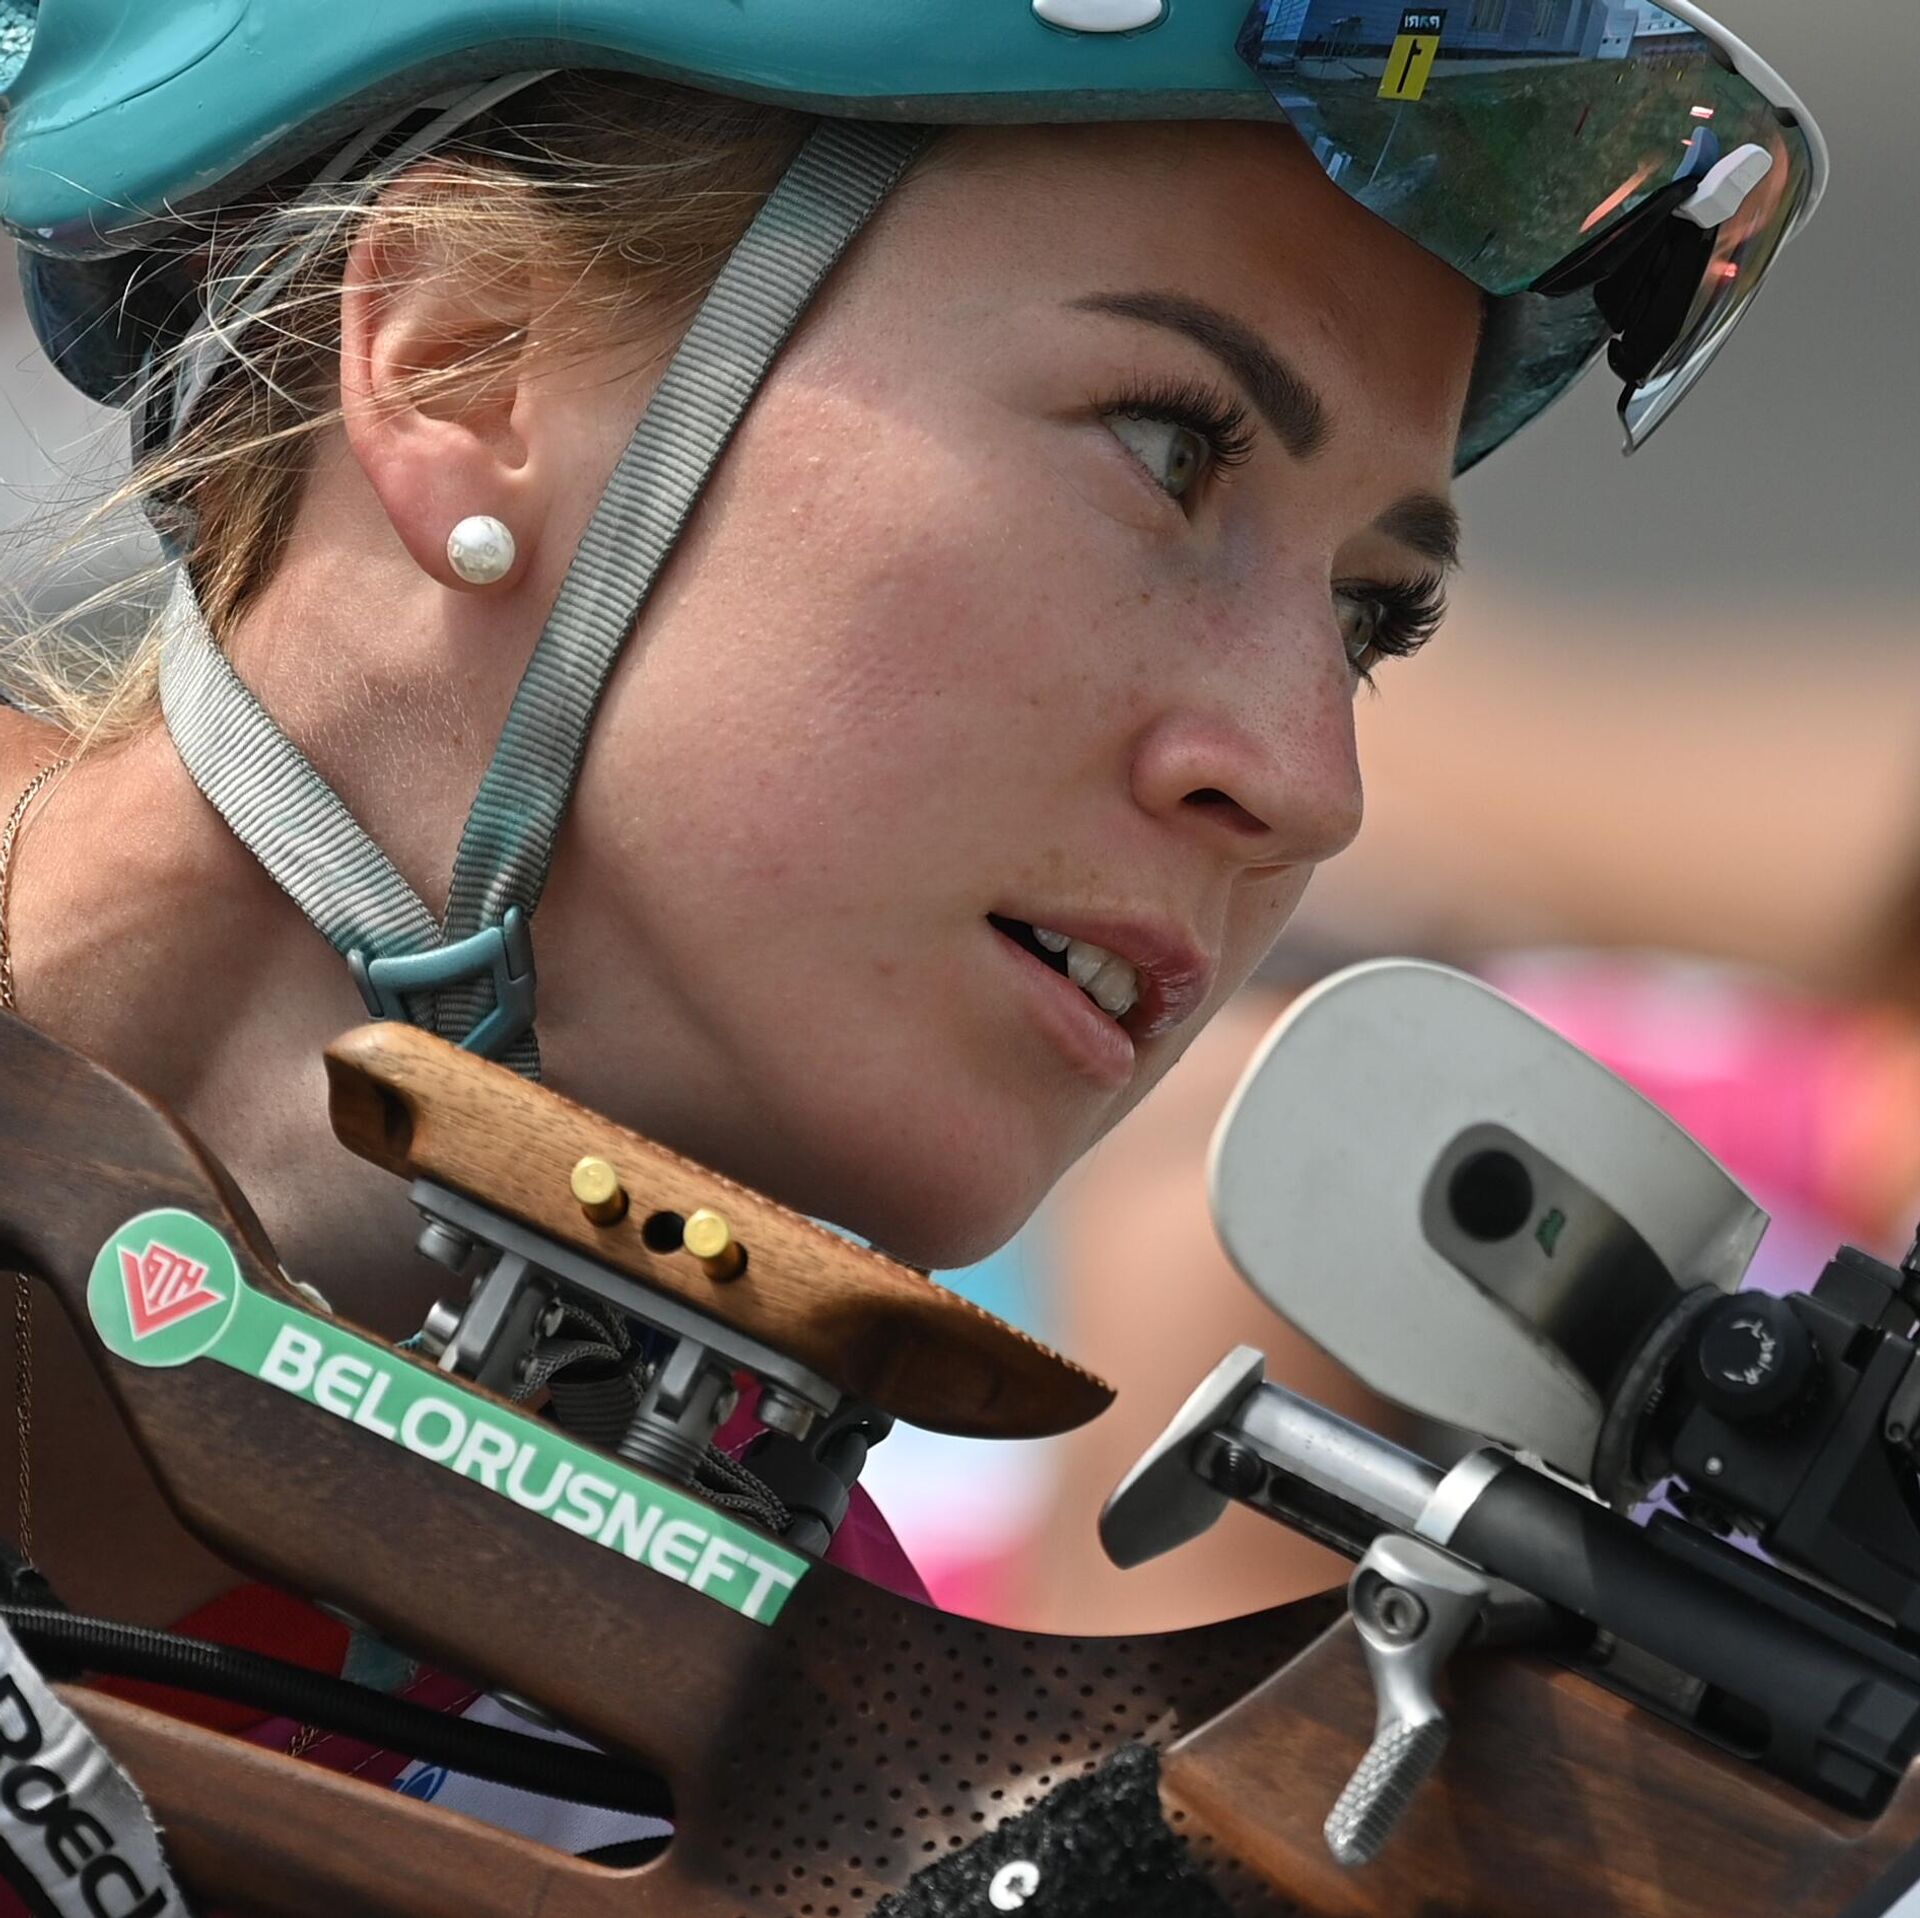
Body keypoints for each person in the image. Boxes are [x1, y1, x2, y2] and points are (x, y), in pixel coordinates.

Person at [0, 0, 1824, 1868]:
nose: (1310, 781)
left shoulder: (820, 1763)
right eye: (1172, 448)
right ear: (466, 362)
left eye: (1371, 617)